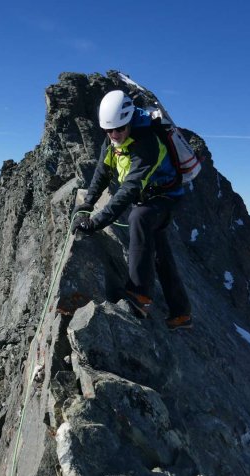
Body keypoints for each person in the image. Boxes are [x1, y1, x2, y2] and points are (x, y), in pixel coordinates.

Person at [71, 89, 192, 330]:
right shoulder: (113, 138)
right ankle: (182, 314)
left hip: (165, 197)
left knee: (139, 217)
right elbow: (102, 172)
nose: (114, 135)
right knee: (160, 255)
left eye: (119, 129)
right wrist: (86, 205)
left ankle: (140, 294)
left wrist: (96, 222)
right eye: (109, 130)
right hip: (149, 197)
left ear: (129, 122)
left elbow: (129, 189)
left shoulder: (147, 143)